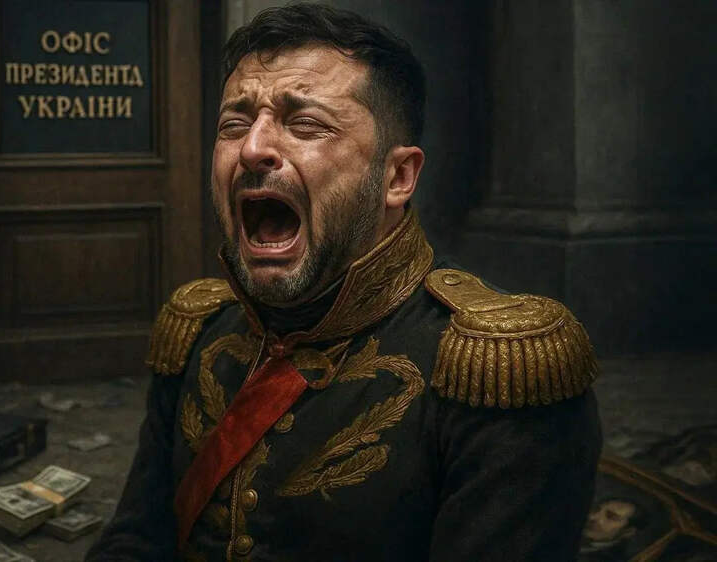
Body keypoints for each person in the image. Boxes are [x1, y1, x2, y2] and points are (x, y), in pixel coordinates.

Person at [86, 4, 602, 560]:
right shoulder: (199, 330)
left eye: (305, 124)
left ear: (397, 177)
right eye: (234, 125)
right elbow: (138, 538)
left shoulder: (500, 367)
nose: (252, 149)